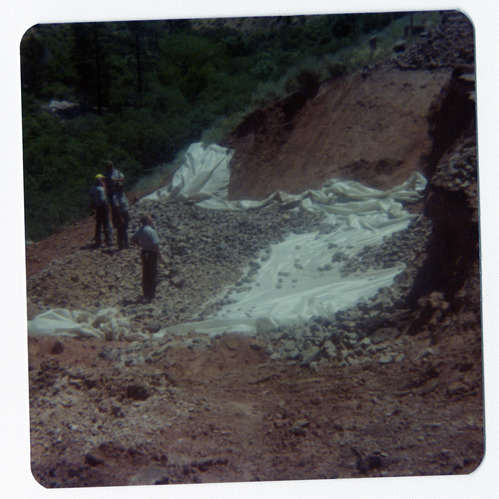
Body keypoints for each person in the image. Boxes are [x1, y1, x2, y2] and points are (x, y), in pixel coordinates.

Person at [131, 215, 164, 301]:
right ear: (148, 221)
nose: (152, 220)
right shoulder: (151, 231)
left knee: (145, 272)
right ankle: (151, 294)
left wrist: (140, 245)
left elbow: (132, 239)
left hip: (144, 252)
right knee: (152, 273)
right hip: (151, 253)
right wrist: (160, 256)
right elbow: (155, 245)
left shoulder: (140, 230)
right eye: (150, 219)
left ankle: (145, 293)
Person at [90, 174, 111, 247]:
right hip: (103, 208)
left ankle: (98, 242)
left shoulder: (93, 189)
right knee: (106, 224)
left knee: (98, 225)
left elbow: (92, 201)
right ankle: (108, 241)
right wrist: (107, 205)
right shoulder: (101, 189)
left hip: (97, 208)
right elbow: (103, 199)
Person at [111, 180, 130, 250]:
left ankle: (126, 244)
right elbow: (117, 207)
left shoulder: (123, 194)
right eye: (120, 187)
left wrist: (128, 213)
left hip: (125, 213)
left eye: (122, 186)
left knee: (125, 229)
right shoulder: (115, 196)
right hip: (120, 214)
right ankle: (121, 246)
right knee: (120, 230)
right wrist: (120, 217)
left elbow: (125, 203)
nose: (122, 188)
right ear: (117, 187)